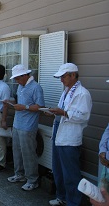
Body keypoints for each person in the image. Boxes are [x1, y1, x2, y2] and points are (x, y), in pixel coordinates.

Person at [48, 63, 92, 206]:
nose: (61, 80)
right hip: (59, 133)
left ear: (73, 75)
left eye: (63, 76)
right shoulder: (66, 91)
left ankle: (73, 202)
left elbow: (83, 116)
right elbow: (63, 110)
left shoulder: (82, 93)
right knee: (58, 170)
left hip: (70, 138)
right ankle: (61, 196)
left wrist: (64, 113)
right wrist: (53, 112)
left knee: (71, 174)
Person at [7, 64, 45, 191]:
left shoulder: (36, 87)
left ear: (25, 75)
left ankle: (32, 180)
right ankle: (19, 174)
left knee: (28, 153)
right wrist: (11, 103)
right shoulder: (20, 86)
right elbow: (20, 102)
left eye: (17, 78)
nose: (16, 81)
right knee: (17, 151)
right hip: (17, 123)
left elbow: (40, 107)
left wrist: (25, 107)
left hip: (28, 126)